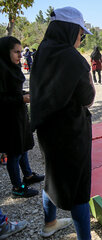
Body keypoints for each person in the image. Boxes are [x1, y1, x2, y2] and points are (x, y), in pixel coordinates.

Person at [30, 7, 95, 239]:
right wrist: (89, 76)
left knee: (52, 176)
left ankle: (50, 223)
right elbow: (87, 100)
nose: (81, 38)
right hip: (71, 134)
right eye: (80, 33)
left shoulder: (42, 51)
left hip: (48, 131)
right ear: (70, 30)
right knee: (78, 190)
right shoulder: (74, 59)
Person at [0, 36, 44, 198]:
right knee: (14, 153)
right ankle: (17, 187)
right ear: (5, 52)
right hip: (8, 119)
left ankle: (28, 176)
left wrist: (25, 94)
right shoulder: (1, 69)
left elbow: (13, 92)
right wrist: (21, 98)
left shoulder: (12, 67)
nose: (20, 55)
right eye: (16, 52)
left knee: (23, 148)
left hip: (19, 115)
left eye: (20, 52)